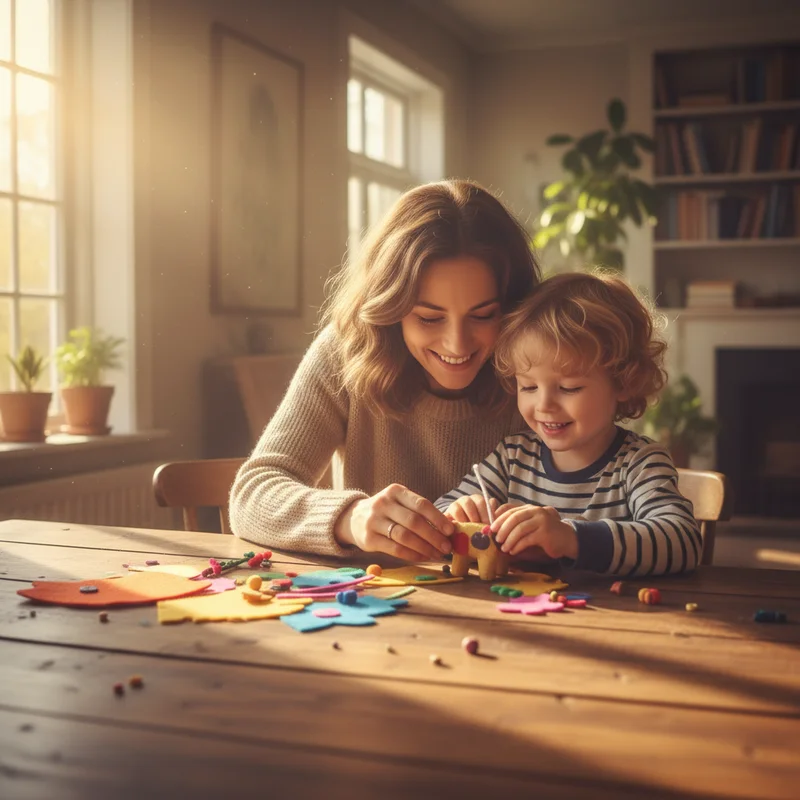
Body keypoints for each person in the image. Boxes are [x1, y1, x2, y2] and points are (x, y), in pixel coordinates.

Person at [230, 179, 542, 559]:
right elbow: (253, 492)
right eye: (429, 318)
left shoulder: (540, 368)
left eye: (483, 315)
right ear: (391, 310)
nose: (457, 344)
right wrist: (352, 517)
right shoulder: (347, 351)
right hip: (376, 605)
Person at [436, 271, 702, 576]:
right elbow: (439, 516)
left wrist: (570, 538)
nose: (544, 405)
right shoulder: (512, 457)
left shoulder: (639, 464)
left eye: (569, 388)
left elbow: (683, 540)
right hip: (516, 615)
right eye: (529, 387)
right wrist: (457, 513)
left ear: (623, 382)